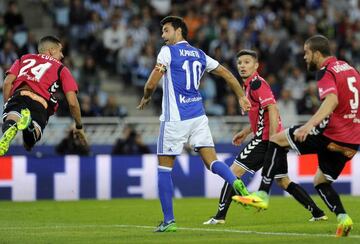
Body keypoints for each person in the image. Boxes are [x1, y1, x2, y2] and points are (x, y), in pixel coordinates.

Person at [234, 35, 360, 237]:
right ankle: (343, 218)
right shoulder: (350, 69)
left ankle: (263, 194)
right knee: (320, 182)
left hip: (329, 133)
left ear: (317, 54)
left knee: (275, 139)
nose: (304, 57)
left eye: (306, 52)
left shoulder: (326, 71)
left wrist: (310, 125)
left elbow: (332, 101)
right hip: (351, 140)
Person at [137, 16, 251, 232]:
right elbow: (226, 73)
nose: (163, 36)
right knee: (212, 162)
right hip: (198, 116)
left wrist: (146, 96)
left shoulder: (167, 52)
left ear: (178, 31)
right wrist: (240, 96)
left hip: (175, 119)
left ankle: (169, 221)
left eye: (166, 30)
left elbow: (152, 82)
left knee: (164, 169)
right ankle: (235, 182)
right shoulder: (200, 54)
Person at [204, 49, 327, 225]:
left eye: (247, 62)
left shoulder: (257, 85)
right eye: (240, 63)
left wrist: (272, 139)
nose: (242, 66)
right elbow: (260, 114)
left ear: (256, 65)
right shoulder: (248, 87)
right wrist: (246, 132)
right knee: (283, 181)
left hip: (265, 139)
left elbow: (272, 109)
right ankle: (317, 212)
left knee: (232, 173)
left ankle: (219, 216)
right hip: (273, 139)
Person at [0, 35, 87, 156]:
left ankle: (9, 132)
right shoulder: (62, 69)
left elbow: (7, 82)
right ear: (52, 50)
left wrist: (7, 103)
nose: (62, 55)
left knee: (11, 118)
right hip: (41, 103)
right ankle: (29, 124)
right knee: (29, 143)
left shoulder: (24, 58)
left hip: (20, 95)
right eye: (60, 51)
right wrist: (79, 125)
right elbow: (72, 103)